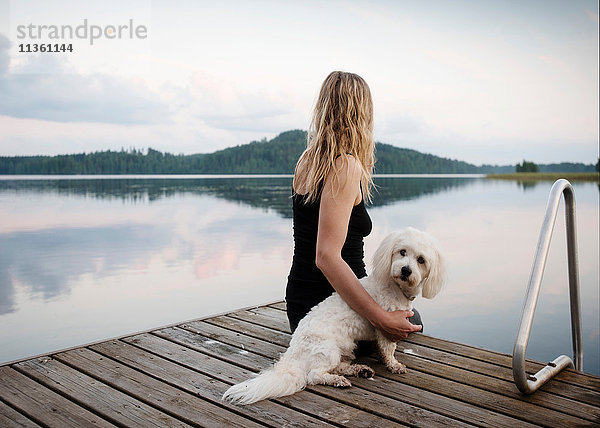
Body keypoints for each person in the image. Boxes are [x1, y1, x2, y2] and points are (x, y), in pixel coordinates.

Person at [285, 70, 422, 343]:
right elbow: (326, 257)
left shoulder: (306, 161)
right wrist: (380, 317)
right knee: (412, 320)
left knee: (405, 312)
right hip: (329, 313)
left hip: (301, 305)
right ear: (361, 114)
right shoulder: (344, 166)